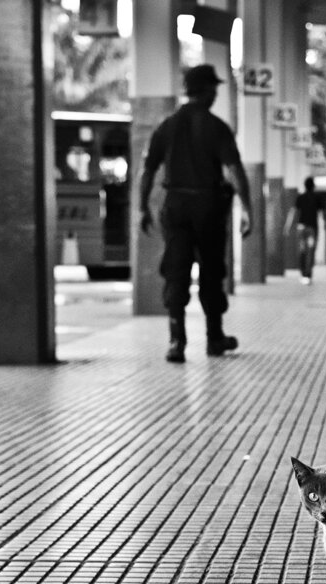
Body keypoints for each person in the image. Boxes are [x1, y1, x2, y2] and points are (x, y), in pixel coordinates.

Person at [139, 64, 252, 362]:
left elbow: (148, 171)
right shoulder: (216, 127)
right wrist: (247, 208)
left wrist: (142, 207)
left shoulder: (167, 126)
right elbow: (235, 170)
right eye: (213, 88)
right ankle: (214, 338)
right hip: (208, 206)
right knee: (212, 272)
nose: (216, 93)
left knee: (176, 271)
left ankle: (177, 342)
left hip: (175, 205)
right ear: (204, 91)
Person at [284, 176, 325, 284]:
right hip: (312, 229)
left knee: (302, 251)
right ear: (313, 186)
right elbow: (321, 214)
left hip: (301, 228)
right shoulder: (317, 197)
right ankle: (308, 274)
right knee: (310, 251)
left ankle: (303, 274)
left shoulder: (300, 197)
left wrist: (287, 226)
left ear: (304, 186)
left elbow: (293, 212)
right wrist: (325, 224)